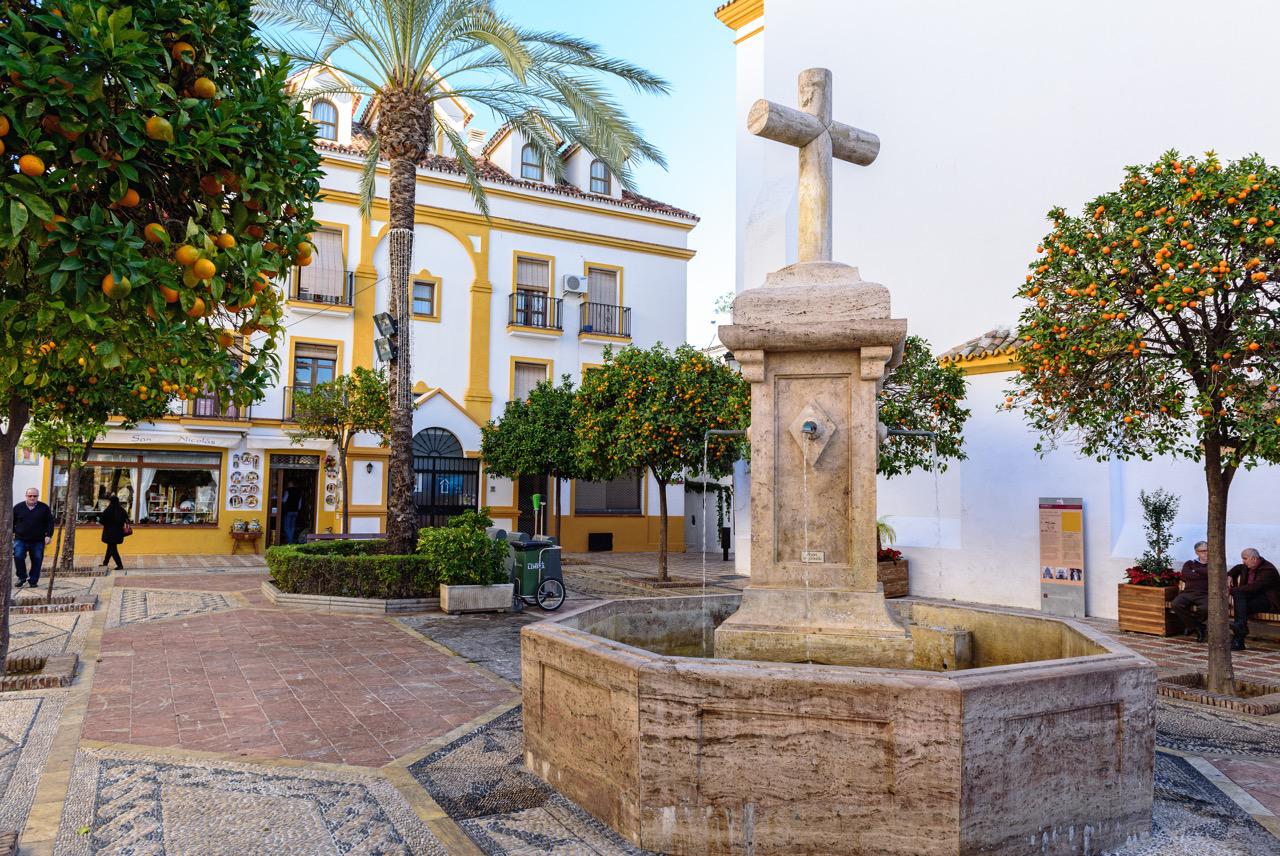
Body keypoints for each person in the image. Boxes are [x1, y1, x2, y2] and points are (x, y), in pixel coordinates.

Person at [1227, 548, 1280, 651]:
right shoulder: (1248, 566)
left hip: (1269, 602)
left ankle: (1239, 638)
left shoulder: (1268, 570)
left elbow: (1254, 587)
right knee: (1242, 605)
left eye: (1245, 558)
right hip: (1252, 601)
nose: (1243, 561)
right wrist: (1229, 575)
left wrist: (1232, 590)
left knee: (1240, 602)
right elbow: (1237, 568)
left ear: (1254, 559)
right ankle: (1240, 630)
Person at [12, 487, 54, 588]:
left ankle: (33, 580)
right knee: (18, 556)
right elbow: (11, 522)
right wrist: (11, 534)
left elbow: (50, 523)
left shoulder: (44, 508)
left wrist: (48, 535)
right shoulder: (18, 507)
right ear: (26, 496)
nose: (32, 498)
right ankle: (22, 577)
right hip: (20, 539)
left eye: (35, 496)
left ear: (37, 497)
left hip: (38, 540)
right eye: (30, 496)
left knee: (37, 559)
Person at [1171, 541, 1210, 642]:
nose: (1206, 553)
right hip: (1188, 593)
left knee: (1206, 608)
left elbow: (1209, 572)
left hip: (1205, 594)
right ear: (1197, 552)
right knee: (1176, 604)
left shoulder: (1214, 564)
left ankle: (1192, 625)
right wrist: (1201, 573)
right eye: (1203, 551)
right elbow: (1186, 574)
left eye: (1208, 550)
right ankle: (1198, 627)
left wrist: (1195, 571)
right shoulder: (1189, 563)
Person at [98, 496, 129, 571]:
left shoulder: (108, 510)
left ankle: (119, 564)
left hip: (109, 533)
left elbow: (101, 520)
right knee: (110, 548)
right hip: (118, 533)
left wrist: (107, 524)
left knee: (113, 549)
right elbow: (127, 519)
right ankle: (105, 563)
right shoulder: (121, 510)